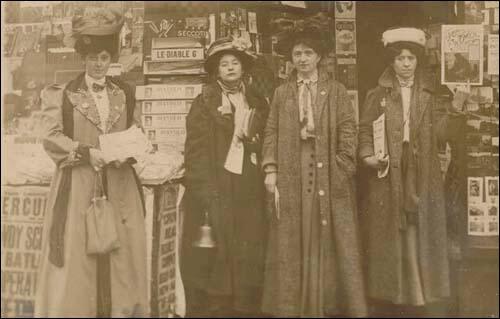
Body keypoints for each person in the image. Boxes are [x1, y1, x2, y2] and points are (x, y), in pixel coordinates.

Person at [34, 9, 148, 317]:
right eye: (92, 58)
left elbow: (136, 130)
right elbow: (50, 137)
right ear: (83, 58)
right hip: (79, 184)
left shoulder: (124, 92)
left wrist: (133, 148)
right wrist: (86, 153)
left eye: (103, 57)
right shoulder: (62, 94)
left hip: (119, 184)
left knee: (122, 254)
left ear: (111, 59)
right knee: (77, 254)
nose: (98, 64)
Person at [261, 26, 367, 317]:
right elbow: (270, 131)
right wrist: (271, 169)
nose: (303, 59)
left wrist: (342, 166)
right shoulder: (282, 92)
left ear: (319, 56)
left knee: (326, 235)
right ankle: (293, 307)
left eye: (308, 53)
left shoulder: (336, 91)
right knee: (294, 235)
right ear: (291, 59)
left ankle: (323, 305)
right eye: (297, 54)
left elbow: (348, 128)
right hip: (292, 171)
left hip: (328, 172)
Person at [358, 27, 465, 315]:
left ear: (418, 61)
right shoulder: (377, 93)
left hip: (422, 170)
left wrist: (455, 108)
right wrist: (368, 155)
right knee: (393, 228)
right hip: (388, 169)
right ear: (391, 62)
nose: (406, 64)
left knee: (419, 226)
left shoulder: (431, 95)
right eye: (400, 59)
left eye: (411, 59)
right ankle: (394, 292)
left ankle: (420, 291)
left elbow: (442, 134)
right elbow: (365, 128)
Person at [182, 36, 269, 317]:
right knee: (219, 241)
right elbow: (195, 150)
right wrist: (204, 188)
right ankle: (219, 305)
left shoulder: (256, 99)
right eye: (224, 64)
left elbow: (267, 138)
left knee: (249, 239)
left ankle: (245, 302)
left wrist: (252, 140)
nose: (230, 68)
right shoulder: (204, 102)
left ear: (243, 68)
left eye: (235, 63)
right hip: (218, 183)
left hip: (249, 182)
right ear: (216, 71)